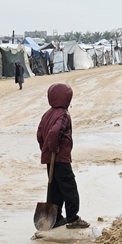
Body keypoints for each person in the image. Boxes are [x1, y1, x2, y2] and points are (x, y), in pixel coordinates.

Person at [37, 83, 89, 229]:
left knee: (56, 188)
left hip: (51, 158)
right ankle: (73, 218)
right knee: (69, 187)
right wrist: (53, 148)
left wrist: (45, 150)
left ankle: (57, 217)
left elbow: (40, 134)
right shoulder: (63, 114)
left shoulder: (47, 114)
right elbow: (54, 132)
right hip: (60, 158)